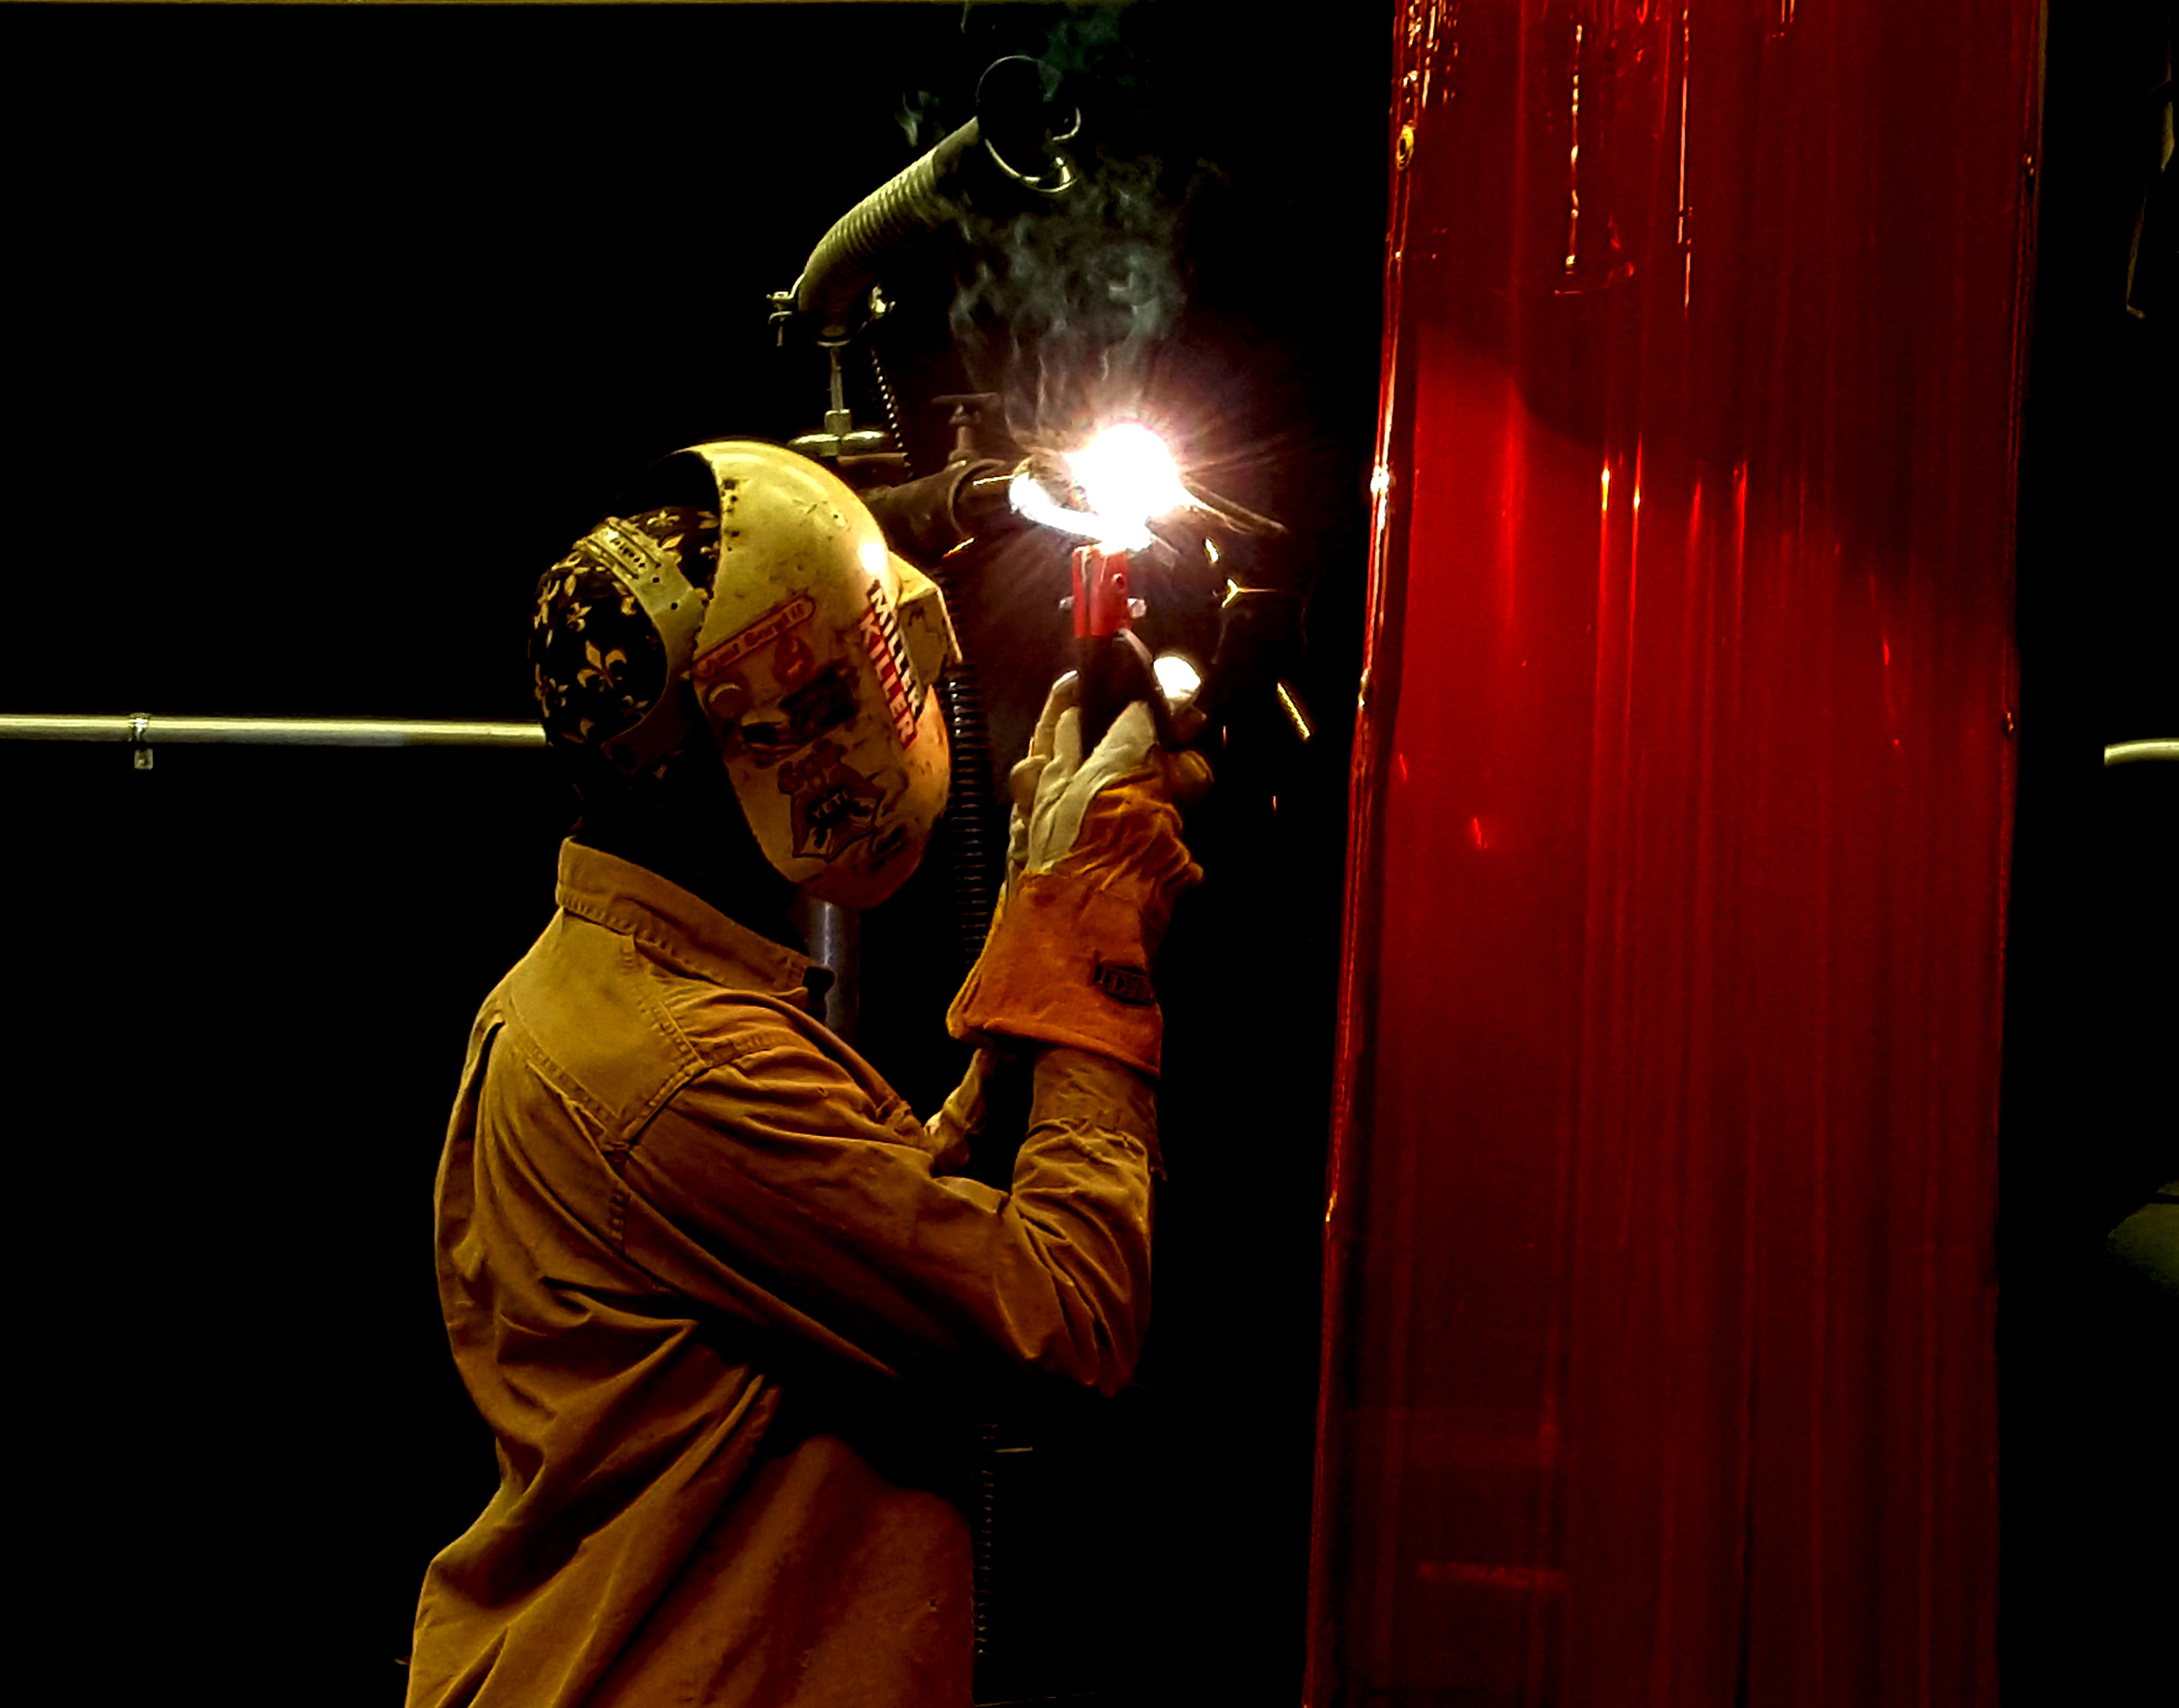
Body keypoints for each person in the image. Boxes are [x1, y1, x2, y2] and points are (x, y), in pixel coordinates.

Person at [402, 442, 1206, 1708]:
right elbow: (1065, 1320)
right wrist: (1092, 932)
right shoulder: (687, 1072)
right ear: (763, 734)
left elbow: (864, 1222)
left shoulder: (591, 994)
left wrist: (1034, 929)